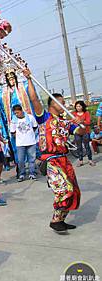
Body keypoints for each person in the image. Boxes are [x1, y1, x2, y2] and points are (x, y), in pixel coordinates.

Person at [29, 74, 84, 232]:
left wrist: (80, 123)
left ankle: (60, 220)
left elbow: (81, 131)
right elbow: (34, 99)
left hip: (64, 159)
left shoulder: (66, 122)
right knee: (64, 189)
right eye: (61, 102)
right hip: (51, 160)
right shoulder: (44, 117)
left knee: (73, 191)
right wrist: (29, 79)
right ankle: (55, 221)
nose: (64, 105)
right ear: (52, 103)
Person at [9, 104, 38, 181]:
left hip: (31, 142)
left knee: (31, 159)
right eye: (15, 113)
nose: (16, 114)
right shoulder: (14, 121)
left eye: (17, 112)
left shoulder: (30, 117)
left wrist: (30, 135)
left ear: (21, 111)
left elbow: (35, 127)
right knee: (21, 160)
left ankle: (32, 173)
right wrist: (20, 137)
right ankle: (22, 174)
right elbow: (12, 132)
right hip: (20, 144)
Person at [73, 101, 94, 166]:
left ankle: (90, 160)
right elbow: (73, 122)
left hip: (85, 132)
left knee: (87, 146)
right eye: (77, 106)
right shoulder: (74, 114)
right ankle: (81, 161)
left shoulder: (86, 113)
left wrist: (81, 121)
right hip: (77, 132)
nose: (78, 108)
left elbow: (88, 122)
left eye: (79, 106)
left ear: (82, 106)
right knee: (79, 147)